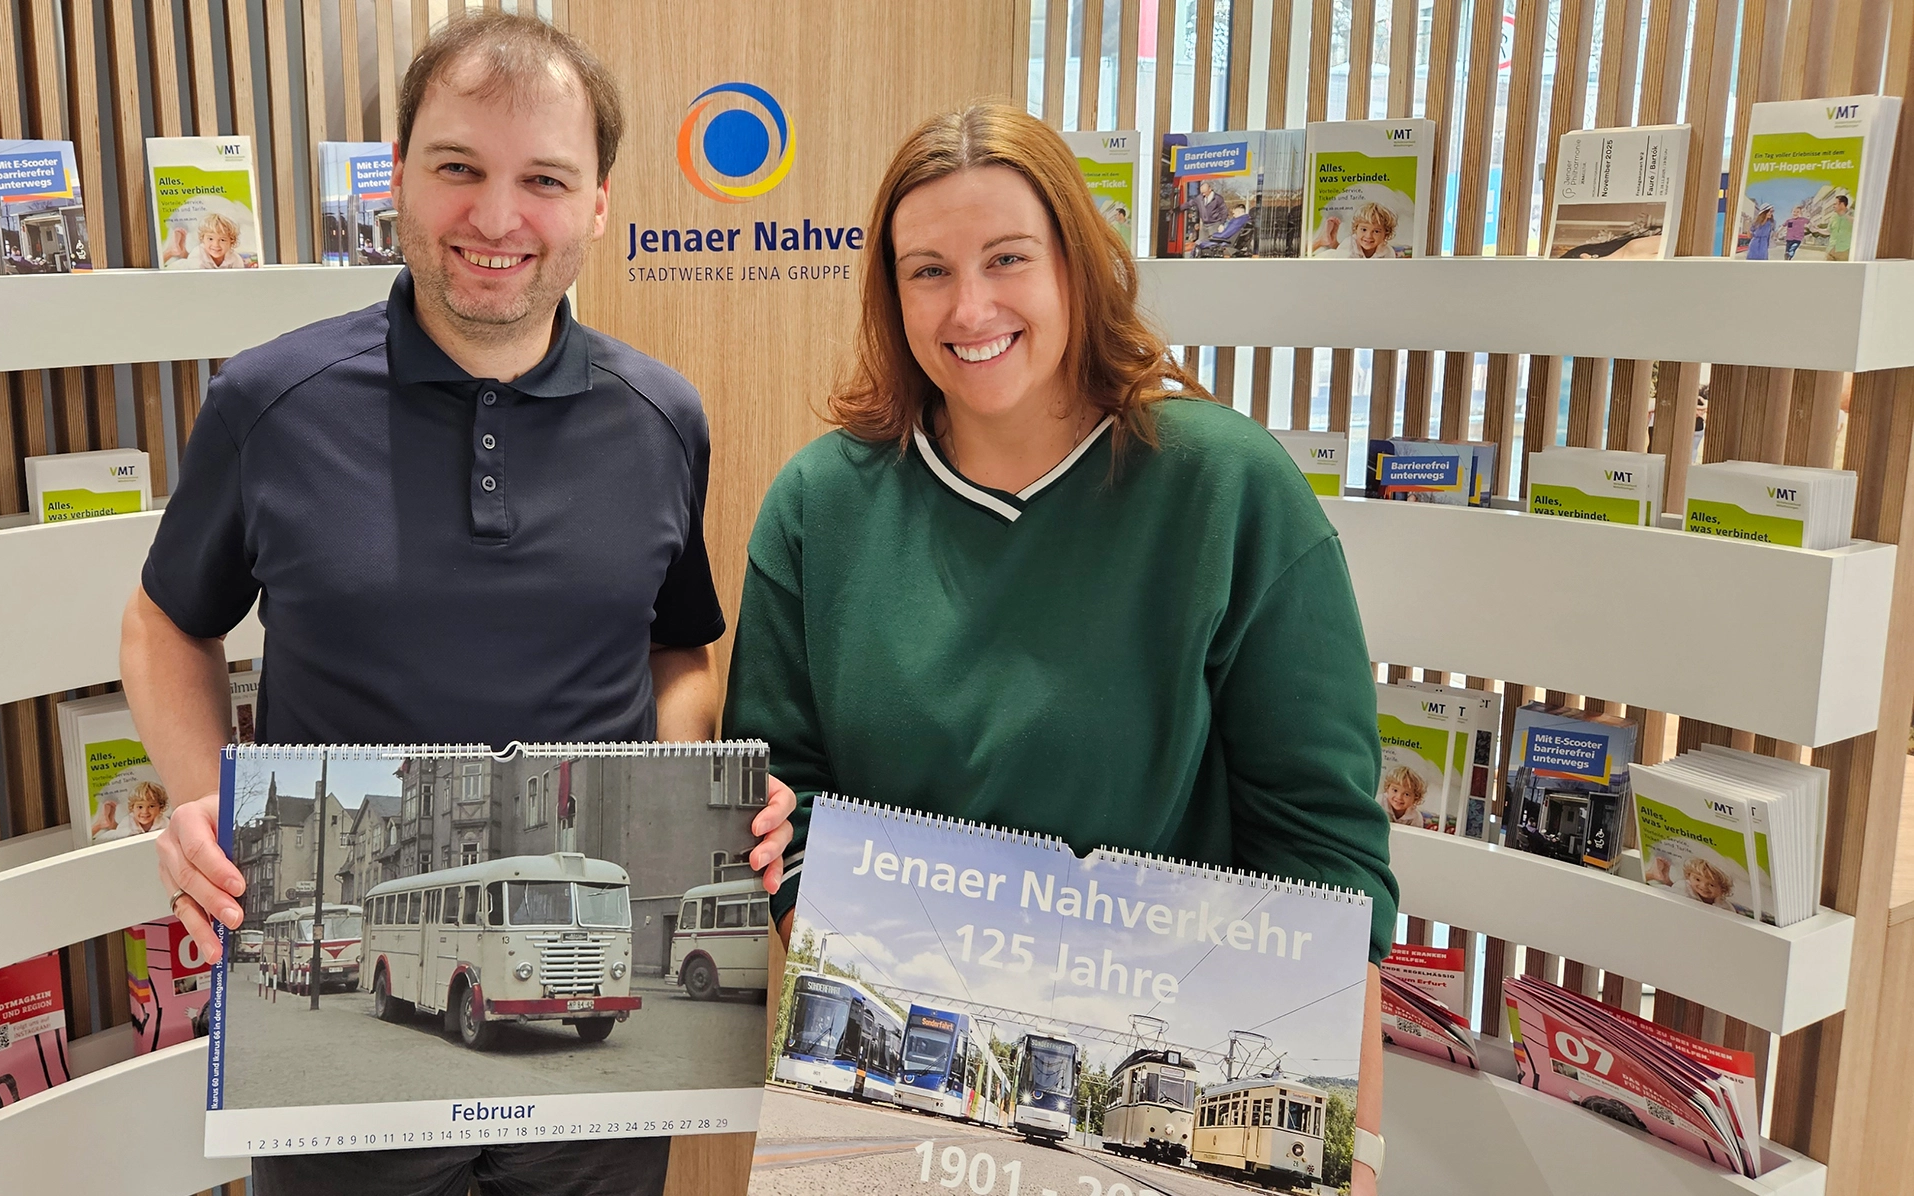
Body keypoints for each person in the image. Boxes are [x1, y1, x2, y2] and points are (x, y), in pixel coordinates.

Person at [121, 12, 793, 1196]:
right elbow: (166, 620)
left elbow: (679, 649)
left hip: (591, 1098)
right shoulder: (270, 401)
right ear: (397, 176)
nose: (495, 217)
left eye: (544, 180)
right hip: (343, 1103)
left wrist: (690, 790)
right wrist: (195, 800)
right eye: (458, 168)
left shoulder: (662, 419)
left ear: (597, 204)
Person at [723, 102, 1395, 1196]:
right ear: (890, 295)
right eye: (927, 271)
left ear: (1077, 265)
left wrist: (1350, 1158)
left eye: (1007, 259)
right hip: (898, 1127)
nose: (969, 307)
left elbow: (1323, 855)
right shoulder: (819, 507)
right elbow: (781, 802)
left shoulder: (1224, 490)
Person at [1311, 200, 1398, 258]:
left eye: (1376, 231)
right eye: (1364, 229)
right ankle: (1322, 239)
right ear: (1356, 229)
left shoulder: (1388, 252)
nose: (1368, 236)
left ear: (1386, 234)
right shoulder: (1349, 245)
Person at [1822, 192, 1854, 261]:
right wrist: (1817, 230)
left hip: (1844, 250)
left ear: (1842, 204)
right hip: (1831, 249)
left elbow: (1856, 225)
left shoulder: (1853, 213)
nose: (1833, 206)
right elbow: (1829, 231)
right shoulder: (1833, 217)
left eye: (1835, 204)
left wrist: (1844, 214)